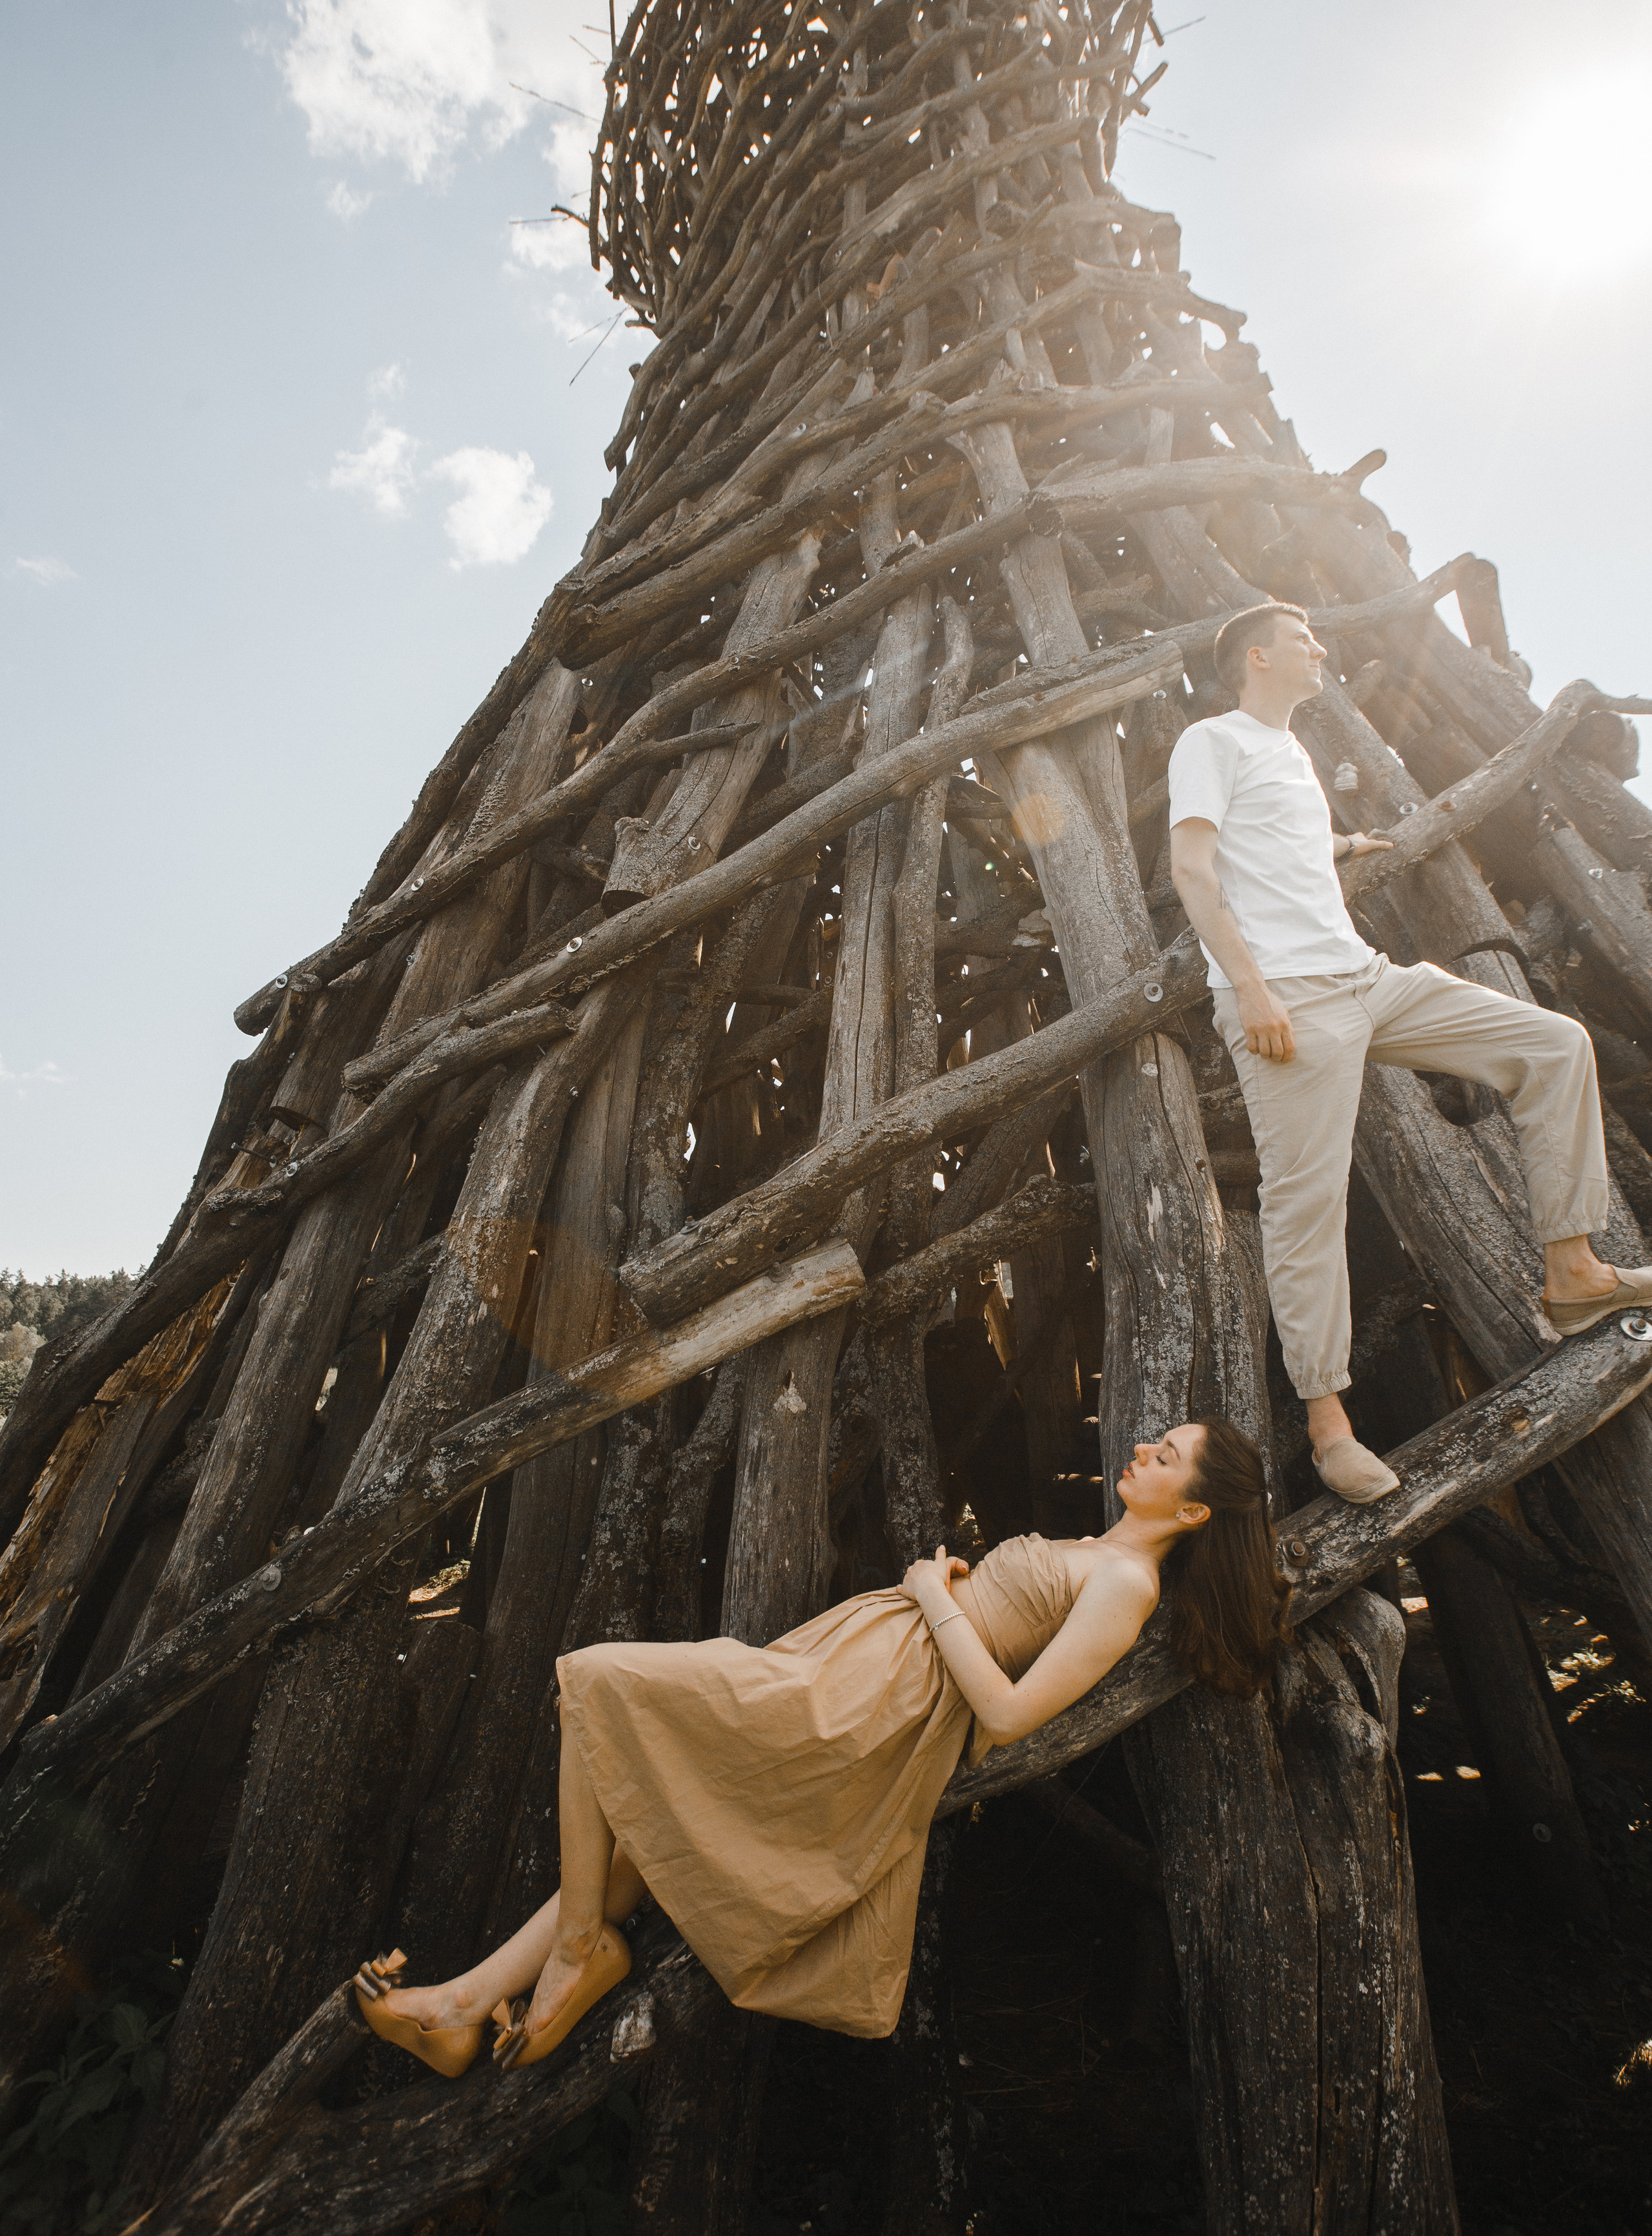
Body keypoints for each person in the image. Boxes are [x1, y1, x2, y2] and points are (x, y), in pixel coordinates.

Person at [353, 1417, 1289, 2075]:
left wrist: (932, 1593)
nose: (1143, 1449)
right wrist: (942, 1592)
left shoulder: (1129, 1585)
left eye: (1168, 1456)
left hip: (873, 1708)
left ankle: (578, 1948)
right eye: (1158, 1441)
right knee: (640, 1828)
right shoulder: (1101, 1550)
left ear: (1194, 1512)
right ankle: (461, 2006)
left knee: (595, 1678)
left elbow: (1007, 1715)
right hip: (856, 1665)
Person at [1168, 600, 1651, 1503]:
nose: (1319, 647)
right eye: (1302, 639)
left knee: (1554, 1046)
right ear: (1258, 657)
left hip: (1368, 978)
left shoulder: (1289, 753)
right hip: (1288, 1000)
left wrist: (1345, 842)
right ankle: (1329, 1427)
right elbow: (1194, 867)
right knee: (1308, 1205)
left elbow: (1278, 847)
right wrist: (1251, 989)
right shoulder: (1213, 741)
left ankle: (1574, 1272)